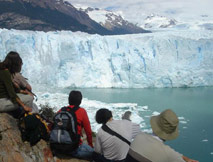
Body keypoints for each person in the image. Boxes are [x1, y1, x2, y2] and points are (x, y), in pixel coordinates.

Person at [126, 109, 199, 162]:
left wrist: (185, 158)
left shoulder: (139, 136)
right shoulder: (168, 154)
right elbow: (172, 155)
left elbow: (173, 155)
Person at [56, 90, 94, 160]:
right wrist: (90, 145)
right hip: (73, 149)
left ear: (69, 100)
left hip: (57, 146)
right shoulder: (82, 111)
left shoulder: (61, 110)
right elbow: (88, 131)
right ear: (80, 101)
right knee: (95, 154)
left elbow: (53, 125)